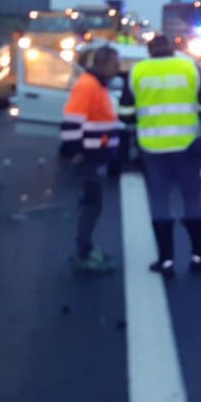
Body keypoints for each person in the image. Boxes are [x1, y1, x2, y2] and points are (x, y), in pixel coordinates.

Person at [119, 34, 201, 275]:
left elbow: (124, 114)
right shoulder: (189, 67)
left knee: (159, 200)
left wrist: (144, 121)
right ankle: (199, 254)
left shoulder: (137, 72)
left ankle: (165, 260)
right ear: (172, 49)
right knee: (191, 198)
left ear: (149, 50)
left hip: (152, 147)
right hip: (187, 145)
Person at [60, 46, 122, 273]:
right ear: (103, 64)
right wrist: (76, 151)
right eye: (115, 64)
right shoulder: (88, 86)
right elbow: (71, 121)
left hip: (96, 154)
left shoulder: (95, 85)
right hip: (90, 156)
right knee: (91, 205)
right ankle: (83, 252)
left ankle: (85, 248)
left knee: (93, 204)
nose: (118, 69)